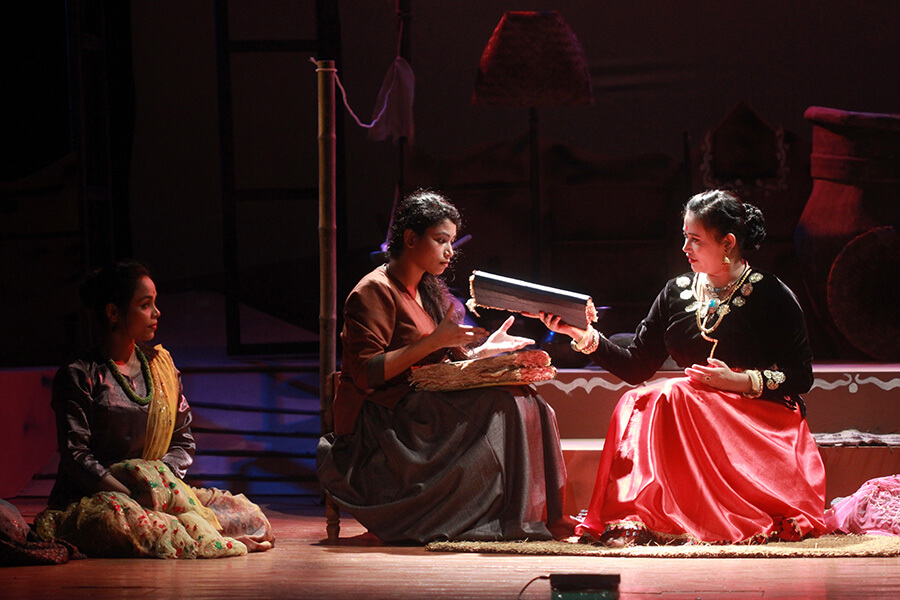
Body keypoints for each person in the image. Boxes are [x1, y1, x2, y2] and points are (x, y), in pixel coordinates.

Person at [534, 189, 827, 545]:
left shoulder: (771, 294)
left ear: (728, 243)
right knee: (641, 398)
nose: (685, 248)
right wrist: (583, 335)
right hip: (698, 410)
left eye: (695, 240)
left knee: (670, 395)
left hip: (758, 418)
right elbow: (636, 366)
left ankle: (678, 515)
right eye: (685, 237)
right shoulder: (676, 292)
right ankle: (641, 516)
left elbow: (801, 375)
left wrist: (740, 381)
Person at [317, 190, 569, 543]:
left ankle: (532, 515)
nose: (450, 251)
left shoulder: (427, 290)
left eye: (451, 241)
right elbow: (366, 372)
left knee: (527, 398)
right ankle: (496, 517)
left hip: (423, 403)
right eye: (441, 240)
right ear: (410, 239)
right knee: (501, 403)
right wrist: (434, 342)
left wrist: (484, 351)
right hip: (386, 417)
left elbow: (442, 363)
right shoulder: (372, 291)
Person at [36, 261, 274, 558]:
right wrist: (130, 494)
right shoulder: (79, 374)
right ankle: (196, 535)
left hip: (156, 493)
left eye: (154, 303)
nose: (156, 312)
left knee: (246, 516)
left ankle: (193, 530)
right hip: (102, 496)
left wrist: (158, 489)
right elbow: (76, 456)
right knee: (121, 522)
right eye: (145, 305)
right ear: (113, 313)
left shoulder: (161, 368)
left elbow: (183, 441)